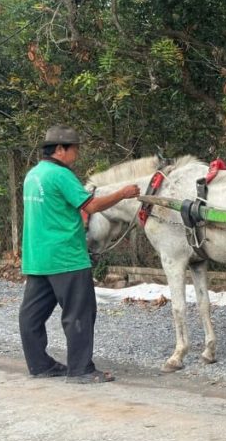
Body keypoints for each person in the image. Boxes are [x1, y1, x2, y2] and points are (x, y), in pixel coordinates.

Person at [19, 124, 140, 383]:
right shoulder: (61, 176)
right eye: (75, 149)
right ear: (61, 149)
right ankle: (80, 370)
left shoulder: (34, 175)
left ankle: (39, 365)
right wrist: (123, 193)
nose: (77, 154)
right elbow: (92, 205)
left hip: (38, 258)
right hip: (66, 258)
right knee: (79, 313)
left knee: (31, 315)